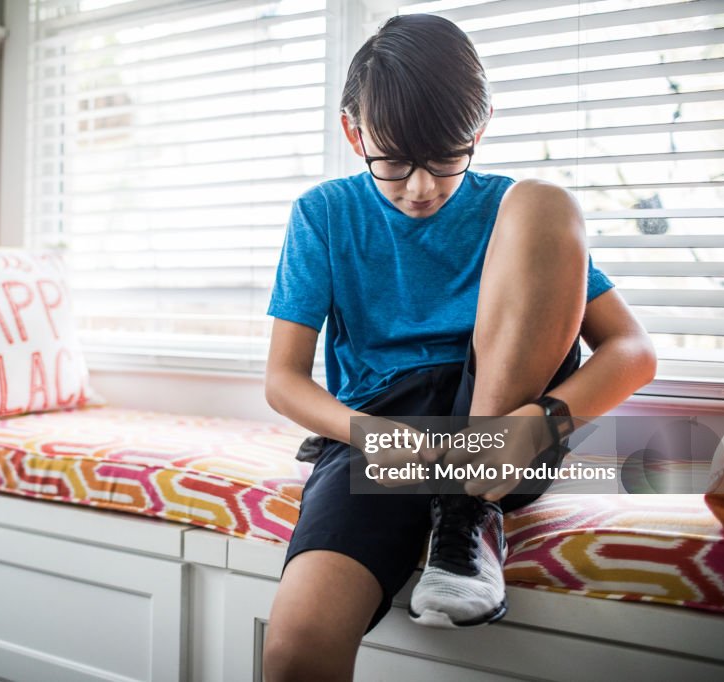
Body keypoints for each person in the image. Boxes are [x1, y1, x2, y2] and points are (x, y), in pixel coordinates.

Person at [261, 13, 657, 682]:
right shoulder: (324, 214)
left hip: (504, 418)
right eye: (392, 162)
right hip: (387, 434)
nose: (422, 186)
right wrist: (370, 436)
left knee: (545, 201)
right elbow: (283, 380)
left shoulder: (514, 213)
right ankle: (456, 497)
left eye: (446, 157)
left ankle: (469, 507)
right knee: (296, 648)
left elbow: (632, 351)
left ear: (479, 128)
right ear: (353, 132)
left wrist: (542, 423)